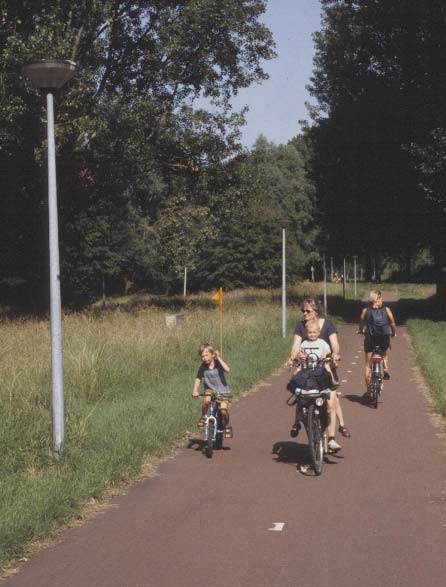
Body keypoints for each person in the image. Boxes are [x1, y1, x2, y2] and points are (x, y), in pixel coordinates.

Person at [289, 297, 351, 440]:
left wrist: (334, 354)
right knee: (299, 391)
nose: (304, 313)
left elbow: (335, 343)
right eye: (302, 311)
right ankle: (298, 421)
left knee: (331, 403)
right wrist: (294, 356)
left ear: (316, 311)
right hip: (308, 369)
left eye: (307, 311)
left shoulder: (328, 325)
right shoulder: (301, 326)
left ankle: (332, 438)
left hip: (325, 368)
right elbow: (296, 345)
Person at [358, 290, 396, 393]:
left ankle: (368, 390)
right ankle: (385, 368)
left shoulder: (366, 311)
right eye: (381, 297)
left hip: (370, 338)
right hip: (384, 337)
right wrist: (393, 333)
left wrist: (361, 330)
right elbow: (392, 323)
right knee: (384, 352)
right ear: (378, 298)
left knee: (368, 365)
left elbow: (361, 323)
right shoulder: (387, 310)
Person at [192, 343, 233, 438]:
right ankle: (203, 417)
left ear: (212, 354)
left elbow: (227, 369)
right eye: (202, 356)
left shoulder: (218, 363)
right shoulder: (203, 367)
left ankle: (226, 425)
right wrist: (195, 390)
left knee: (223, 410)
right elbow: (198, 379)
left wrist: (219, 358)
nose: (205, 358)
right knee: (206, 400)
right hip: (210, 390)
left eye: (207, 355)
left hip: (223, 391)